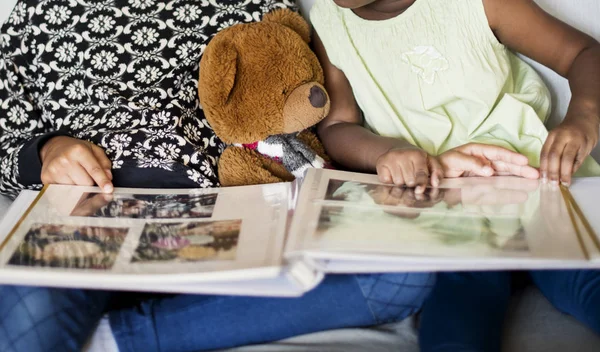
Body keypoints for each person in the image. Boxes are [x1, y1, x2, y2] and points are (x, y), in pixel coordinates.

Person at [0, 1, 437, 351]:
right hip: (93, 217)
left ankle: (120, 338)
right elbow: (6, 136)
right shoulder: (36, 15)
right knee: (29, 316)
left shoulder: (259, 5)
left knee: (402, 278)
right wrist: (46, 151)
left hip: (234, 214)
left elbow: (298, 114)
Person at [310, 0, 600, 351]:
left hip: (535, 189)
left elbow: (582, 53)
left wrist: (583, 116)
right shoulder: (329, 20)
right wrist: (387, 151)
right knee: (452, 333)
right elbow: (338, 125)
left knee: (586, 284)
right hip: (448, 222)